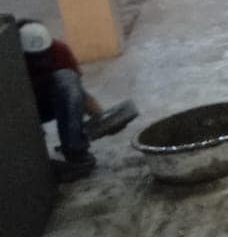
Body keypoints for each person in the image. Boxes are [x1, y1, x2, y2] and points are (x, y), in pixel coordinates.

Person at [17, 20, 138, 183]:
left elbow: (76, 92)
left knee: (67, 78)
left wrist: (102, 120)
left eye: (44, 55)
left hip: (50, 102)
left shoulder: (59, 51)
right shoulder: (9, 61)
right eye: (34, 58)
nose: (41, 61)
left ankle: (74, 149)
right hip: (21, 109)